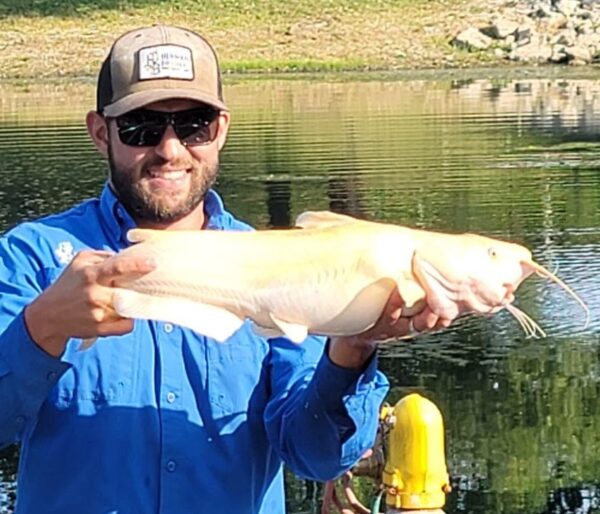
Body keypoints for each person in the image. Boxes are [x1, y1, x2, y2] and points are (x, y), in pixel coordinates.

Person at [0, 25, 451, 514]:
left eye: (194, 124)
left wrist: (355, 345)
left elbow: (315, 455)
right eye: (141, 127)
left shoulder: (284, 261)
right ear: (99, 131)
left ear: (221, 130)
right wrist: (41, 327)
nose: (170, 150)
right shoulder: (33, 257)